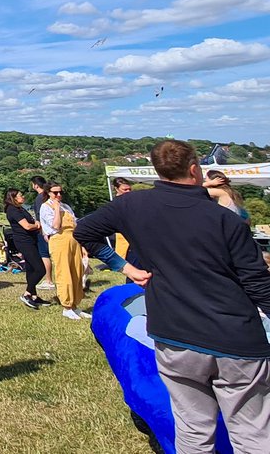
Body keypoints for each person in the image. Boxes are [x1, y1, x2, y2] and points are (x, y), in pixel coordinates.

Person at [75, 140, 270, 454]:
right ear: (194, 169)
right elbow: (258, 284)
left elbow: (85, 231)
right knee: (252, 434)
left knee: (193, 432)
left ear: (157, 170)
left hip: (174, 335)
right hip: (235, 339)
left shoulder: (132, 205)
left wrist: (123, 266)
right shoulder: (226, 221)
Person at [40, 182, 87, 320]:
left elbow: (76, 224)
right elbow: (55, 225)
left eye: (60, 192)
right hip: (59, 240)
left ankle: (75, 305)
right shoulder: (46, 207)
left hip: (74, 240)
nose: (59, 195)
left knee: (76, 272)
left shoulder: (66, 207)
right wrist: (56, 209)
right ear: (48, 193)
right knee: (64, 272)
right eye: (55, 193)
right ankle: (67, 306)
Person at [3, 188, 48, 310]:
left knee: (31, 268)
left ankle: (33, 296)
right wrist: (38, 225)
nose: (23, 197)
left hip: (31, 240)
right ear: (13, 198)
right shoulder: (12, 210)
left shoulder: (20, 208)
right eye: (20, 195)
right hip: (24, 242)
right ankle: (27, 293)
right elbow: (27, 226)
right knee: (40, 269)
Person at [31, 176, 55, 291]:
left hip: (44, 231)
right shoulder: (49, 196)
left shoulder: (40, 198)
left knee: (44, 255)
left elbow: (41, 216)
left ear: (35, 185)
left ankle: (48, 280)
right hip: (53, 230)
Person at [111, 178, 133, 259]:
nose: (128, 191)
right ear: (117, 189)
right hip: (124, 236)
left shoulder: (132, 201)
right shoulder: (115, 204)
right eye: (125, 189)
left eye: (129, 189)